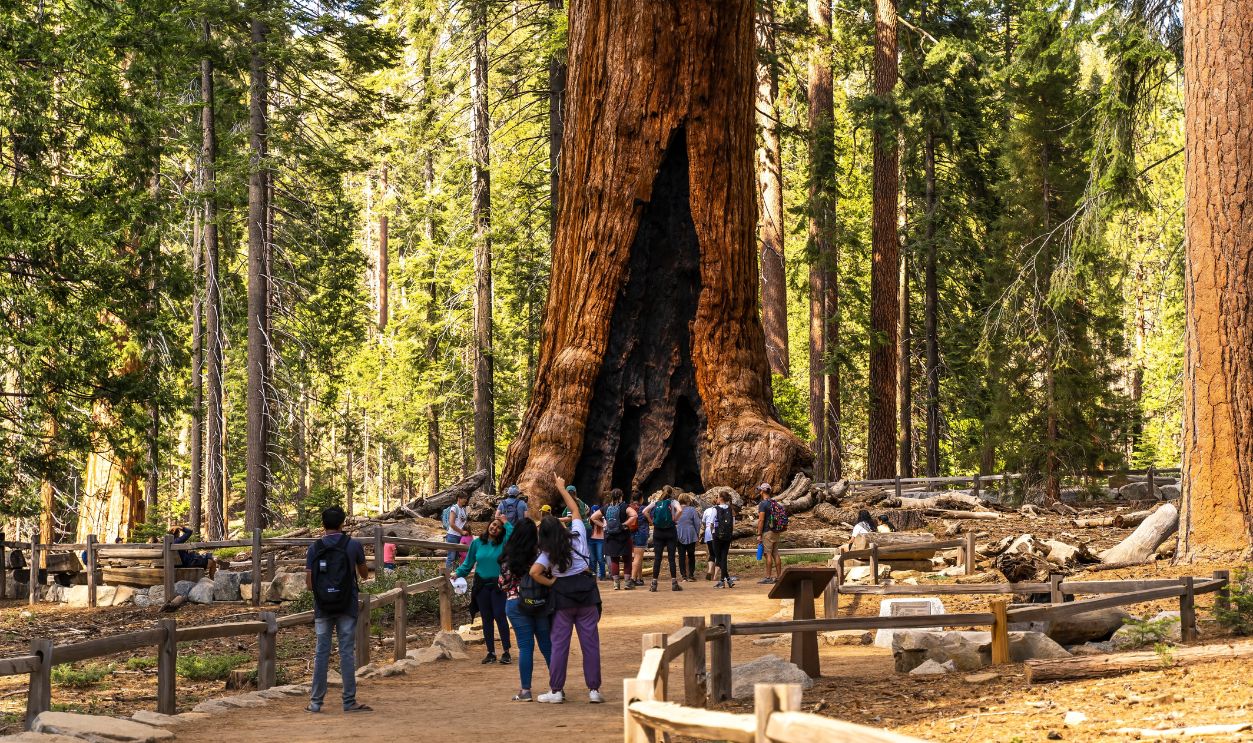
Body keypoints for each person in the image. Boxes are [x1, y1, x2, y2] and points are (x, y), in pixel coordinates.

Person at [531, 474, 603, 704]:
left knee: (559, 645)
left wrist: (553, 582)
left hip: (562, 601)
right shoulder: (578, 536)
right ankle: (594, 690)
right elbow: (575, 511)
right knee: (590, 645)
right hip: (587, 596)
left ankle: (556, 691)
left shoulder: (548, 552)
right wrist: (561, 488)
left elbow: (534, 572)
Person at [305, 506, 371, 713]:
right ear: (343, 523)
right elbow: (364, 575)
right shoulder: (353, 545)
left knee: (321, 653)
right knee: (346, 653)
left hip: (323, 607)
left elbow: (309, 584)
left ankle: (316, 702)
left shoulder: (314, 548)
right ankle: (349, 701)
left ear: (323, 524)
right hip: (346, 605)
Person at [499, 518, 550, 702]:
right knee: (547, 645)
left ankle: (525, 690)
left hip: (515, 604)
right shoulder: (540, 555)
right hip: (539, 602)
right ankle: (557, 687)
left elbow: (503, 584)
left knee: (525, 647)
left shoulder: (508, 557)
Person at [456, 516, 515, 664]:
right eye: (494, 524)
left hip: (498, 586)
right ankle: (491, 653)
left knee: (500, 615)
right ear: (489, 524)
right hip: (481, 585)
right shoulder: (477, 543)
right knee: (486, 618)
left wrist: (506, 522)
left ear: (502, 531)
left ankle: (506, 652)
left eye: (499, 527)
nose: (495, 528)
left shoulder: (503, 543)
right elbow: (468, 563)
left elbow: (513, 535)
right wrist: (457, 574)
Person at [643, 486, 683, 592]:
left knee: (657, 558)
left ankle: (654, 584)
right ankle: (674, 583)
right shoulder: (673, 502)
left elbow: (644, 511)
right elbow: (680, 510)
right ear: (672, 493)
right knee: (671, 558)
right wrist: (674, 519)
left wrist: (652, 521)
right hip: (670, 531)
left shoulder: (656, 502)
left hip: (658, 532)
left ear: (662, 492)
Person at [601, 489, 636, 590]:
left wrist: (605, 526)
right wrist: (624, 524)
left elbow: (593, 517)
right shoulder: (624, 506)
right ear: (621, 496)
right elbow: (634, 515)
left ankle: (616, 584)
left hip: (611, 537)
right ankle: (627, 583)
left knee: (614, 560)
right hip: (624, 536)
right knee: (627, 560)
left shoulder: (606, 507)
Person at [755, 483, 786, 585]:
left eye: (760, 490)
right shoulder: (774, 503)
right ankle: (779, 576)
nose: (760, 492)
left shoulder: (763, 504)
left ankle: (768, 577)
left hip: (767, 532)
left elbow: (761, 520)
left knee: (767, 554)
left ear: (762, 491)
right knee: (775, 553)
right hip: (776, 531)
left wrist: (759, 534)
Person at [710, 490, 736, 588]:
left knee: (719, 558)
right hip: (728, 536)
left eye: (717, 497)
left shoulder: (715, 509)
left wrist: (712, 532)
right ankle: (727, 579)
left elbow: (711, 523)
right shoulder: (731, 509)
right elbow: (733, 524)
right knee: (724, 557)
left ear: (721, 498)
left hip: (717, 536)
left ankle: (723, 581)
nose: (716, 498)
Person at [675, 493, 701, 582]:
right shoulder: (692, 510)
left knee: (681, 556)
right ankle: (691, 575)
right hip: (691, 534)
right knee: (691, 555)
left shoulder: (676, 509)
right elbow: (697, 523)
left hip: (679, 534)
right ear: (688, 501)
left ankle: (683, 576)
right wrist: (697, 534)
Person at [443, 493, 470, 569]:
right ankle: (448, 574)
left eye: (466, 498)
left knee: (457, 558)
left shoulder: (463, 509)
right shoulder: (454, 508)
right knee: (451, 557)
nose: (465, 500)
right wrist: (461, 532)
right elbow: (451, 523)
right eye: (464, 498)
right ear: (459, 498)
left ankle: (455, 574)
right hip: (452, 536)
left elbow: (462, 523)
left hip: (460, 537)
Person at [629, 494, 649, 588]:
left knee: (638, 557)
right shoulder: (644, 508)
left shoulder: (629, 508)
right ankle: (632, 579)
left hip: (631, 534)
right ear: (641, 499)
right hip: (641, 533)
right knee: (637, 557)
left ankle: (640, 578)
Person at [701, 498, 720, 582]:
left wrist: (706, 528)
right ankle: (715, 576)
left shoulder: (707, 510)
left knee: (712, 553)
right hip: (717, 533)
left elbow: (703, 522)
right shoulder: (721, 510)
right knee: (719, 555)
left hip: (708, 533)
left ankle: (709, 570)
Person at [587, 505, 607, 580]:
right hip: (590, 540)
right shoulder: (589, 519)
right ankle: (593, 574)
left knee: (600, 558)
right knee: (592, 558)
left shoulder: (603, 519)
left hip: (600, 540)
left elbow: (605, 528)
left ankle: (602, 575)